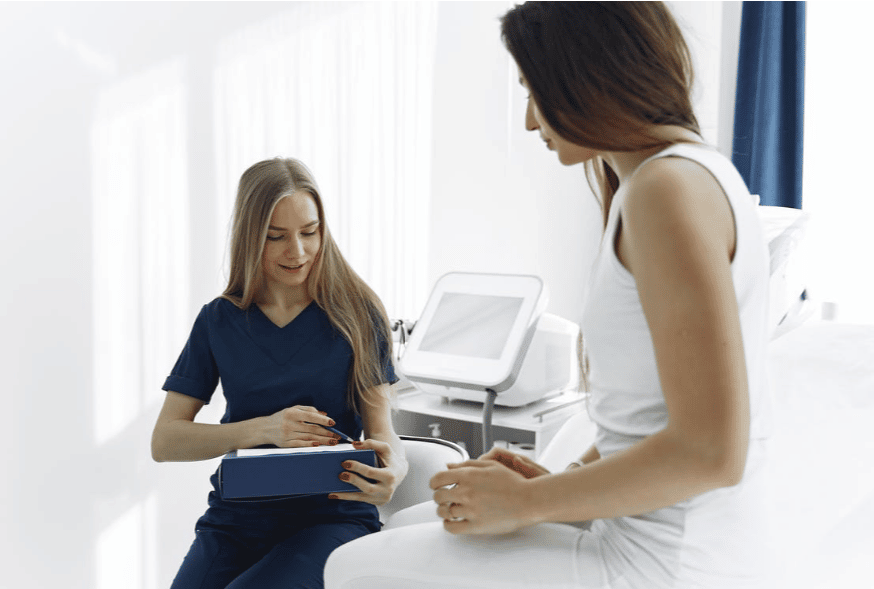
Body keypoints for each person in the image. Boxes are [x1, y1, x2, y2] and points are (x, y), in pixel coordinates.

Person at [324, 2, 775, 588]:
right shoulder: (678, 178)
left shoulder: (666, 190)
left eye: (533, 92)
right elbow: (643, 421)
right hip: (645, 535)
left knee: (349, 567)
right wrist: (545, 484)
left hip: (663, 563)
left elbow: (713, 451)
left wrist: (529, 504)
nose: (532, 122)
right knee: (410, 521)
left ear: (584, 76)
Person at [151, 157, 408, 589]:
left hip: (331, 518)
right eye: (276, 237)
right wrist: (262, 429)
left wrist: (394, 472)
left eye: (310, 232)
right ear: (250, 238)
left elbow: (385, 433)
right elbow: (165, 440)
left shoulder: (358, 313)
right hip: (236, 519)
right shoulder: (219, 320)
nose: (299, 251)